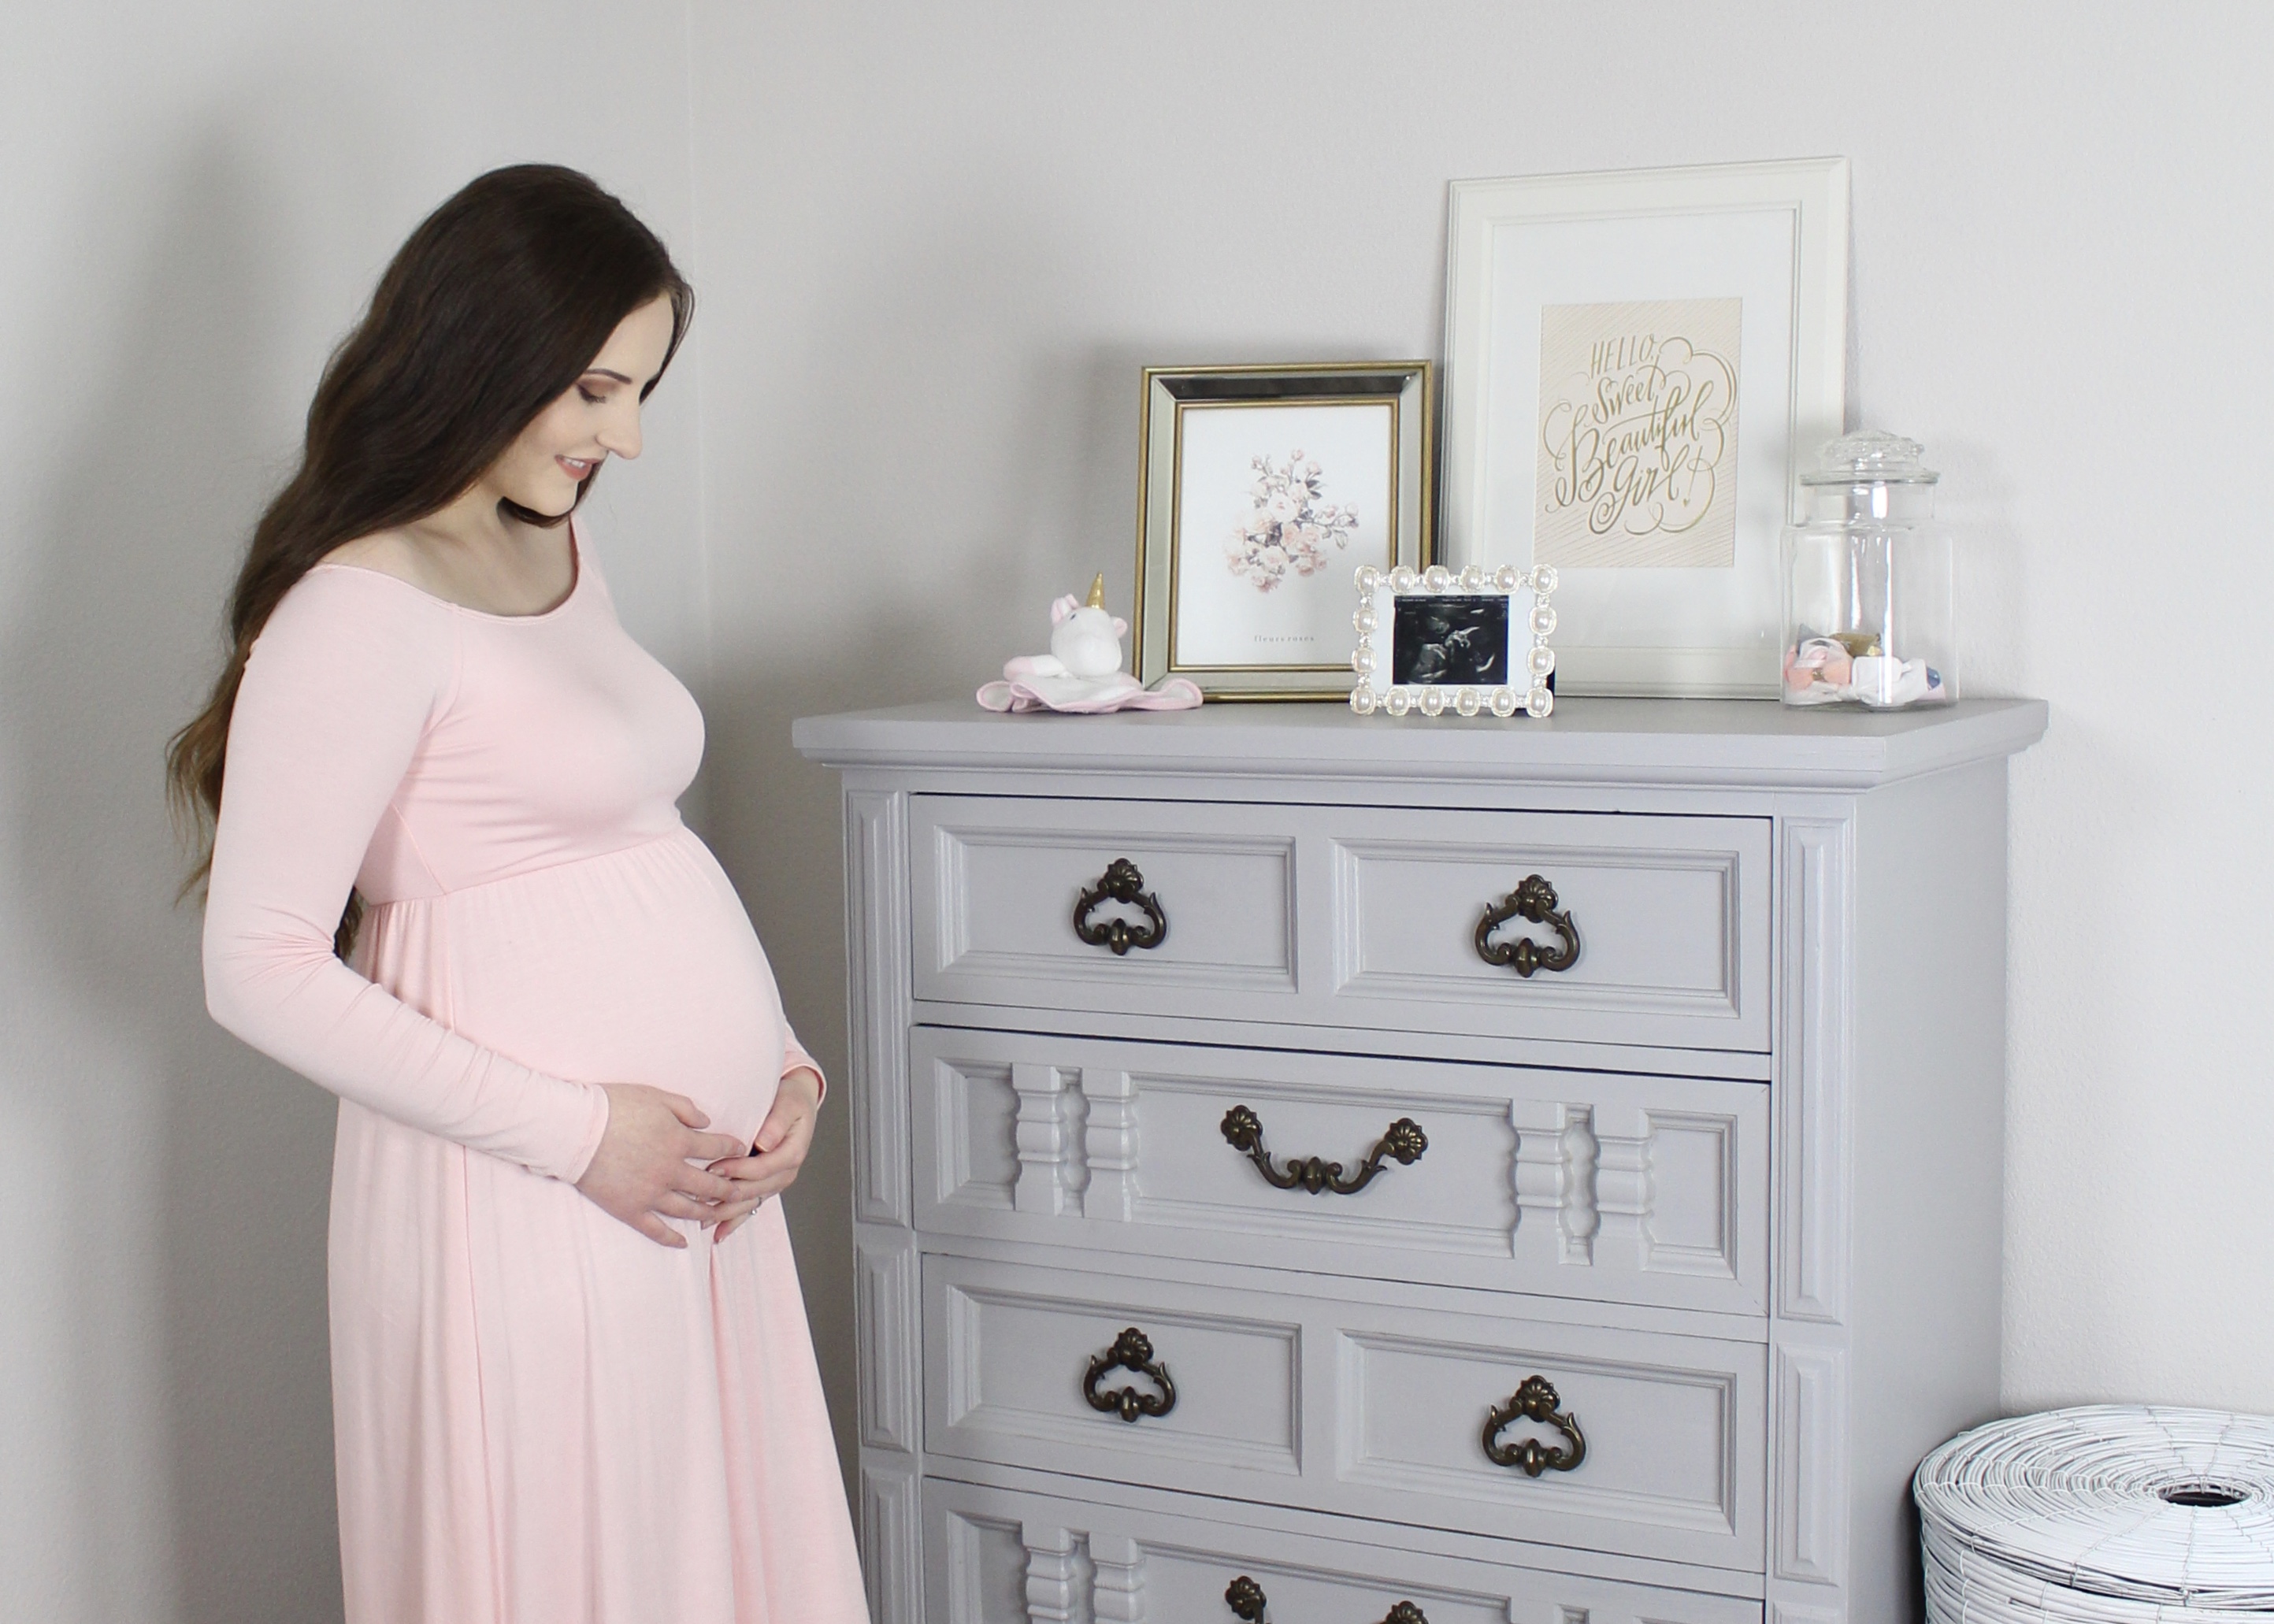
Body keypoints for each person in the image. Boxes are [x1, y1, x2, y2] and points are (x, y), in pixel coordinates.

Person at [167, 165, 868, 1624]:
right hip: (526, 1200)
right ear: (485, 353)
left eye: (643, 395)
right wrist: (582, 1135)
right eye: (599, 391)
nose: (626, 437)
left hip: (690, 1198)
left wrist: (783, 1064)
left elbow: (628, 829)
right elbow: (258, 963)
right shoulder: (357, 607)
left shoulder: (554, 538)